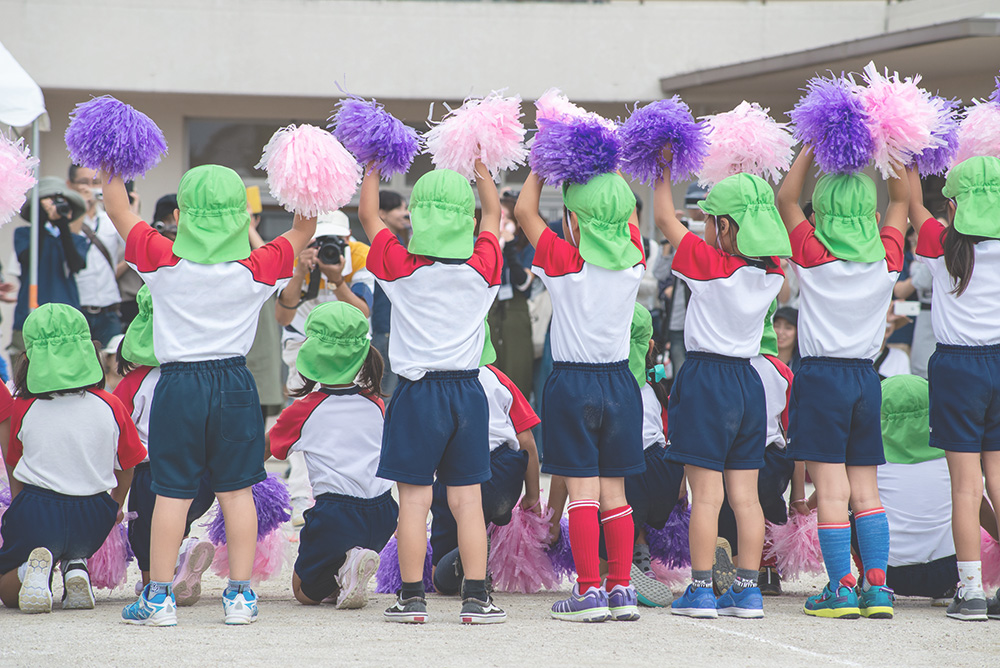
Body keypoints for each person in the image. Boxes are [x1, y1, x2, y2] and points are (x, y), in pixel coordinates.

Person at [103, 164, 316, 627]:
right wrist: (308, 182)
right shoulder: (256, 267)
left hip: (178, 385)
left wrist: (111, 164)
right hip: (236, 384)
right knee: (237, 493)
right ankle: (240, 599)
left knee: (170, 493)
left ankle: (158, 600)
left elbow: (117, 208)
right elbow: (304, 227)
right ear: (243, 216)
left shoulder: (163, 259)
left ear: (179, 216)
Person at [360, 162, 504, 624]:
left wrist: (372, 169)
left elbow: (368, 217)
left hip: (418, 393)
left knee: (415, 502)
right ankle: (477, 598)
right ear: (466, 218)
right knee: (468, 503)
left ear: (417, 216)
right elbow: (495, 216)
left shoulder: (402, 268)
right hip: (468, 391)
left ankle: (411, 598)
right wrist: (482, 171)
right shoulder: (483, 268)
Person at [656, 153, 790, 620]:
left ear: (728, 228)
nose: (706, 228)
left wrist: (663, 170)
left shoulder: (706, 261)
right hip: (747, 384)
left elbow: (663, 217)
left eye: (712, 221)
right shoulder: (772, 270)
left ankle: (700, 591)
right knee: (746, 496)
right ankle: (747, 591)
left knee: (706, 497)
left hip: (705, 380)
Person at [777, 146, 908, 619]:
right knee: (866, 492)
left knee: (830, 493)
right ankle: (878, 589)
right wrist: (894, 151)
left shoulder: (812, 253)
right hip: (864, 378)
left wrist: (810, 148)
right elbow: (900, 202)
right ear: (871, 217)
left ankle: (840, 588)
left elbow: (787, 199)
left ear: (821, 215)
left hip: (819, 377)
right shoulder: (888, 257)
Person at [516, 167, 645, 623]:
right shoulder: (636, 258)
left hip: (572, 384)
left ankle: (588, 591)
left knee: (583, 493)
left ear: (573, 220)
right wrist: (610, 172)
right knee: (617, 493)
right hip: (620, 383)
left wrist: (540, 166)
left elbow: (524, 211)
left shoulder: (561, 258)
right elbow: (622, 212)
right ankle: (622, 589)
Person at [0, 303, 144, 613]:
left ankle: (30, 570)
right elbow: (129, 465)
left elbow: (15, 465)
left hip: (37, 510)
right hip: (93, 517)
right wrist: (115, 507)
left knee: (8, 589)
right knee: (73, 542)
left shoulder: (22, 407)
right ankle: (76, 565)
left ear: (28, 359)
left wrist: (20, 509)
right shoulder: (112, 404)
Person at [906, 158, 1000, 621]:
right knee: (999, 478)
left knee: (965, 486)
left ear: (953, 204)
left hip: (957, 368)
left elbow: (910, 203)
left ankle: (971, 593)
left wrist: (901, 158)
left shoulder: (941, 242)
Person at [266, 302, 397, 609]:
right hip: (384, 512)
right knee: (330, 570)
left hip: (336, 514)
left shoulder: (302, 410)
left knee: (304, 593)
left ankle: (347, 566)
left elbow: (270, 449)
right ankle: (350, 567)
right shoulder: (375, 403)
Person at [113, 286, 216, 604]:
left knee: (146, 536)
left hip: (152, 473)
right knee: (179, 519)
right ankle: (181, 555)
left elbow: (116, 433)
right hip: (201, 472)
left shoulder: (133, 383)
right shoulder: (203, 376)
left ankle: (159, 577)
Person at [431, 327, 542, 595]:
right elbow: (526, 441)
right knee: (480, 517)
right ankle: (481, 544)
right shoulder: (499, 378)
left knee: (439, 580)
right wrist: (532, 497)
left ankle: (465, 555)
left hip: (460, 474)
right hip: (506, 473)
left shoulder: (436, 382)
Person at [717, 302, 800, 597]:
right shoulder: (781, 370)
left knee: (726, 504)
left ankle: (731, 561)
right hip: (772, 461)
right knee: (769, 505)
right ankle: (767, 570)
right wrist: (798, 495)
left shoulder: (726, 365)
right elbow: (791, 432)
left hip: (731, 456)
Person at [861, 375, 957, 604]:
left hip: (889, 572)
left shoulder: (869, 464)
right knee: (967, 498)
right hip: (946, 572)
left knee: (851, 499)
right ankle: (949, 590)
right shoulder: (954, 461)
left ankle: (870, 582)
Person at [620, 303, 684, 608]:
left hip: (632, 471)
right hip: (664, 471)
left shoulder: (613, 385)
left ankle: (617, 570)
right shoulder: (654, 385)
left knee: (610, 498)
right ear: (651, 345)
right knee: (638, 510)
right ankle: (642, 562)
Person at [10, 177, 90, 353]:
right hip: (30, 313)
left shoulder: (77, 240)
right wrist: (40, 219)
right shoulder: (24, 234)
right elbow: (28, 259)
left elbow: (76, 264)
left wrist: (63, 225)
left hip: (67, 317)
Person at [67, 165, 125, 347]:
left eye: (96, 182)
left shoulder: (111, 219)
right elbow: (68, 255)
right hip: (76, 310)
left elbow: (134, 250)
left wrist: (131, 211)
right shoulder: (62, 222)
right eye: (84, 182)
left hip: (109, 309)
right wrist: (80, 209)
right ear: (70, 185)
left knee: (114, 369)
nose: (90, 188)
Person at [486, 190, 535, 399]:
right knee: (490, 368)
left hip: (516, 309)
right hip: (492, 307)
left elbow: (523, 282)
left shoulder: (527, 248)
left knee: (517, 369)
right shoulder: (489, 244)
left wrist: (510, 248)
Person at [370, 190, 410, 397]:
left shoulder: (401, 243)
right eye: (400, 209)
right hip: (385, 329)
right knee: (384, 394)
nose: (406, 214)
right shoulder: (383, 246)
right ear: (382, 214)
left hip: (394, 329)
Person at [773, 306, 801, 374]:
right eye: (776, 326)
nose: (780, 332)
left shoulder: (802, 365)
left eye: (788, 328)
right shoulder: (761, 359)